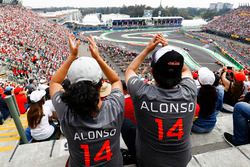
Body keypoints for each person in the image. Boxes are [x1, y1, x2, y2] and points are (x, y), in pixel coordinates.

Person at [50, 35, 124, 167]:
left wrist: (72, 56)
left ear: (72, 86)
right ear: (101, 84)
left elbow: (55, 82)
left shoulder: (65, 111)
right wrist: (97, 57)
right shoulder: (114, 107)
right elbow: (116, 80)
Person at [125, 34, 197, 167]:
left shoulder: (142, 92)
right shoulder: (190, 91)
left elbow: (130, 70)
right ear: (179, 74)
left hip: (149, 161)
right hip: (181, 159)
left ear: (152, 72)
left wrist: (147, 49)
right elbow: (186, 69)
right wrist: (169, 50)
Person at [192, 67, 220, 133]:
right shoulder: (218, 92)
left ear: (199, 80)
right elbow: (218, 108)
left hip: (197, 127)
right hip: (211, 126)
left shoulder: (196, 92)